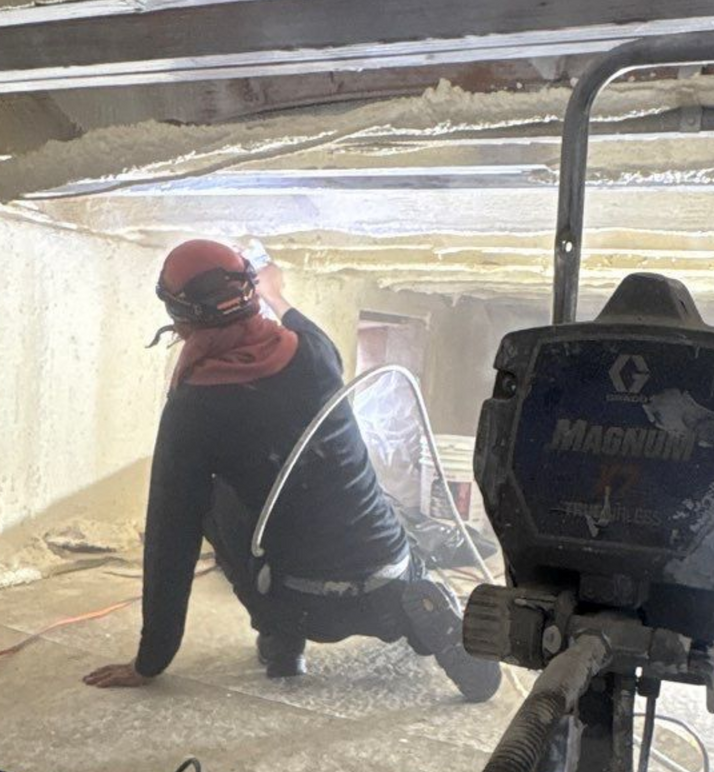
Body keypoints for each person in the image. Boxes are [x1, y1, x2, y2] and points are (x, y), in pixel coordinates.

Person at [84, 239, 501, 702]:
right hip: (390, 574)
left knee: (205, 502)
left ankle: (281, 640)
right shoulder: (314, 352)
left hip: (300, 602)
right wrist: (276, 294)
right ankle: (423, 619)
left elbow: (170, 535)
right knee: (363, 491)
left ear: (181, 316)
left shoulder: (194, 406)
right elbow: (291, 317)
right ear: (250, 293)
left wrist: (151, 659)